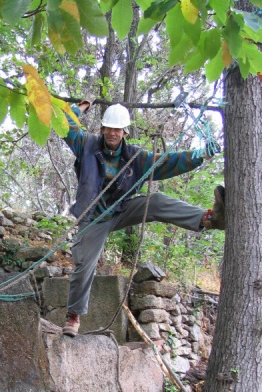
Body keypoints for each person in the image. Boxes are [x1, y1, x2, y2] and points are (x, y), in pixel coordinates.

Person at [62, 101, 225, 337]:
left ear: (125, 132)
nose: (112, 133)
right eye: (108, 127)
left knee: (156, 200)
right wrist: (78, 109)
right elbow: (66, 126)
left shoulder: (136, 157)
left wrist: (199, 156)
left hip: (122, 209)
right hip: (94, 216)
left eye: (117, 129)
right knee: (84, 262)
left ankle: (209, 219)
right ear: (102, 128)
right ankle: (73, 316)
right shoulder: (86, 144)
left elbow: (168, 162)